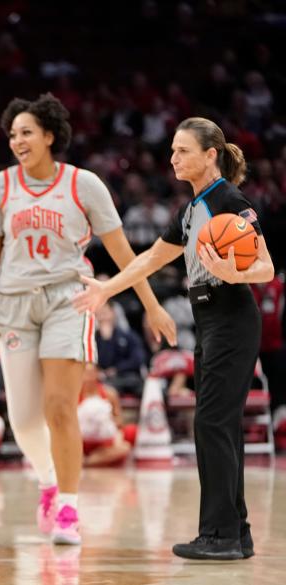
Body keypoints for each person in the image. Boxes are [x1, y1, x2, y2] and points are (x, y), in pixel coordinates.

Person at [0, 94, 177, 546]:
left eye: (26, 132)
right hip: (14, 304)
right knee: (23, 420)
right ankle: (47, 481)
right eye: (12, 134)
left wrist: (152, 304)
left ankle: (68, 506)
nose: (16, 140)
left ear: (48, 135)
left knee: (59, 407)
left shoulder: (84, 185)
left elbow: (123, 252)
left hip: (68, 300)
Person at [74, 117, 275, 560]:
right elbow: (149, 259)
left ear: (210, 155)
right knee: (219, 426)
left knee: (212, 424)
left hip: (233, 316)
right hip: (208, 319)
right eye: (171, 150)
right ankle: (235, 533)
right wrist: (107, 288)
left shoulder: (229, 200)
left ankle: (219, 535)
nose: (173, 158)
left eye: (182, 150)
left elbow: (266, 267)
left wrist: (233, 271)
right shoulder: (190, 210)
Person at [77, 364, 135, 466]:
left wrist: (107, 421)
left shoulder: (109, 393)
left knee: (126, 442)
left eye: (91, 373)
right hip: (80, 441)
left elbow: (119, 420)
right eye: (85, 373)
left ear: (97, 374)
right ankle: (92, 459)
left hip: (103, 441)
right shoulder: (75, 394)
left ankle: (86, 462)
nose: (88, 376)